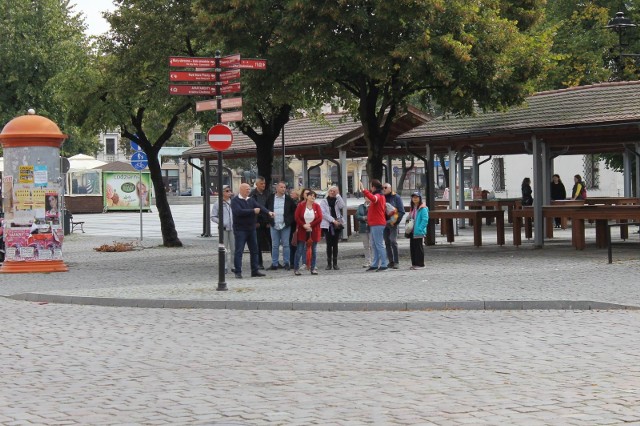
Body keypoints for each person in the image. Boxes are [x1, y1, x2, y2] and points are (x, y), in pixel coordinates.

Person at [231, 183, 274, 279]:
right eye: (247, 189)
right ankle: (238, 271)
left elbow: (260, 207)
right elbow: (238, 212)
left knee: (254, 250)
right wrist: (252, 211)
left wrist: (268, 212)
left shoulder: (251, 200)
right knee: (239, 251)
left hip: (251, 229)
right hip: (240, 230)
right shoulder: (235, 201)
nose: (248, 191)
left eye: (249, 189)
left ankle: (254, 270)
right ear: (241, 189)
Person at [266, 181, 297, 271]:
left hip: (285, 225)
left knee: (286, 245)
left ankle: (286, 263)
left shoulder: (288, 199)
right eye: (281, 187)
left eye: (284, 187)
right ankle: (275, 263)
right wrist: (269, 221)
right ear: (277, 188)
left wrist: (288, 221)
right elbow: (266, 209)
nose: (283, 189)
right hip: (274, 224)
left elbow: (293, 212)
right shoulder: (271, 198)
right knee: (275, 245)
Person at [359, 179, 388, 271]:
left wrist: (364, 190)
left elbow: (373, 198)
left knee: (378, 244)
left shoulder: (378, 196)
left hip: (377, 223)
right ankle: (375, 263)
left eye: (371, 186)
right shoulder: (380, 195)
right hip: (376, 223)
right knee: (375, 245)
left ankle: (384, 264)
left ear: (373, 187)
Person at [293, 189, 322, 275]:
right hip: (302, 230)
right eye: (311, 196)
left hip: (313, 230)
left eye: (314, 196)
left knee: (313, 250)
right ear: (307, 197)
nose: (312, 197)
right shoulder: (301, 206)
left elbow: (320, 218)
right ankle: (296, 268)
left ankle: (313, 268)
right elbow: (297, 217)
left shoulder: (317, 206)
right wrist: (303, 225)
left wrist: (311, 225)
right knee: (300, 249)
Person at [319, 185, 346, 270]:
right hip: (328, 225)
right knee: (329, 244)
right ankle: (328, 263)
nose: (332, 192)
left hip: (337, 224)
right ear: (328, 192)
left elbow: (342, 205)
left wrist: (338, 195)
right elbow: (323, 213)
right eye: (331, 191)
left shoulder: (338, 200)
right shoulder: (324, 201)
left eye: (334, 191)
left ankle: (335, 263)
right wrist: (332, 220)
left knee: (335, 244)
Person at [211, 185, 235, 274]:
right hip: (223, 229)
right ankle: (224, 266)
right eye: (227, 191)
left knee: (234, 248)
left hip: (233, 228)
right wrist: (221, 222)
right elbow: (213, 217)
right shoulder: (218, 203)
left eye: (230, 191)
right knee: (223, 249)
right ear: (222, 193)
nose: (229, 192)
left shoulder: (233, 202)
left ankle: (233, 265)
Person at [250, 176, 271, 270]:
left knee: (271, 242)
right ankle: (259, 263)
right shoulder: (252, 194)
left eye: (264, 183)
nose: (263, 185)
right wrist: (255, 222)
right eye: (261, 184)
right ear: (257, 184)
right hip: (257, 223)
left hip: (267, 222)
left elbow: (270, 207)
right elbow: (251, 208)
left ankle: (274, 261)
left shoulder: (268, 194)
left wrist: (270, 221)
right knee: (257, 243)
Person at [382, 183, 405, 269]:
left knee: (393, 241)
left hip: (393, 223)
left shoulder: (396, 197)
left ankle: (396, 262)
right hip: (384, 223)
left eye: (385, 187)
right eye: (382, 188)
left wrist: (395, 222)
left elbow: (401, 211)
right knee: (387, 242)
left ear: (390, 188)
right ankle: (391, 261)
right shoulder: (382, 197)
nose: (383, 189)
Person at [407, 191, 429, 270]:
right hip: (412, 231)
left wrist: (420, 228)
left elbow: (425, 220)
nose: (415, 199)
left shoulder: (423, 208)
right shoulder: (413, 208)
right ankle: (414, 263)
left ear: (420, 198)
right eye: (413, 197)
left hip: (418, 231)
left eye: (416, 197)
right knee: (413, 248)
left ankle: (420, 264)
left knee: (418, 248)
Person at [355, 197, 372, 268]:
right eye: (366, 196)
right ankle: (367, 261)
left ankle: (374, 261)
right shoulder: (361, 206)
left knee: (372, 245)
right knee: (366, 246)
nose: (367, 198)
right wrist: (363, 218)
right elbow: (357, 215)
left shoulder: (374, 205)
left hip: (372, 227)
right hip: (363, 228)